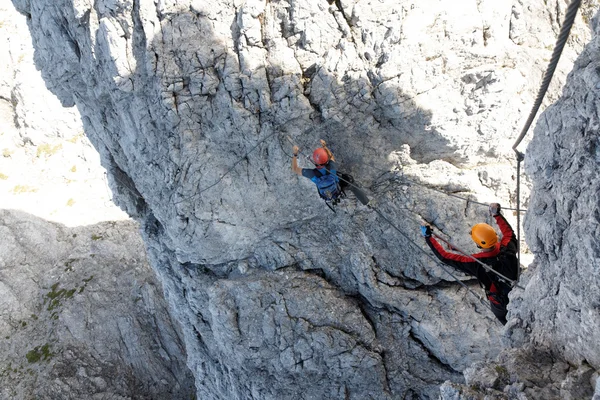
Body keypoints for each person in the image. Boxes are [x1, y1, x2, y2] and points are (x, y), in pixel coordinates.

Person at [420, 203, 519, 324]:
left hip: (501, 303)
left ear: (478, 244)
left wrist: (428, 238)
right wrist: (496, 214)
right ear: (495, 235)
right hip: (519, 287)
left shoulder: (475, 263)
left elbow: (444, 257)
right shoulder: (508, 247)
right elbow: (509, 233)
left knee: (507, 323)